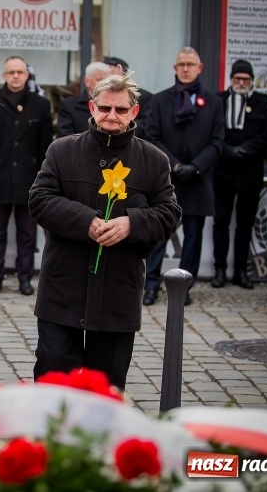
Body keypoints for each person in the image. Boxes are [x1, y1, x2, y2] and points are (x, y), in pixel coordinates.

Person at [29, 73, 181, 390]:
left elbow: (169, 213)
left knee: (106, 393)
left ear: (134, 112)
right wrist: (85, 220)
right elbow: (40, 200)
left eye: (121, 110)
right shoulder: (62, 150)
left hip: (117, 296)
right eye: (105, 108)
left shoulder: (153, 160)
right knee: (52, 389)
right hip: (63, 291)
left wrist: (132, 223)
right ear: (92, 108)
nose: (112, 115)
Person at [142, 46, 224, 306]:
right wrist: (175, 165)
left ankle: (184, 287)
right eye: (181, 65)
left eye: (191, 64)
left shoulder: (214, 102)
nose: (186, 69)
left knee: (193, 236)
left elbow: (217, 142)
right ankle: (151, 285)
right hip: (167, 178)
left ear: (200, 68)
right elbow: (152, 137)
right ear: (174, 69)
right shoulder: (159, 100)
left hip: (199, 179)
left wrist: (196, 166)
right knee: (158, 234)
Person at [0, 55, 54, 295]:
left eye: (20, 72)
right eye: (11, 72)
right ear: (4, 75)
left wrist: (43, 178)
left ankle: (24, 278)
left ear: (27, 75)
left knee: (27, 234)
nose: (16, 76)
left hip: (29, 180)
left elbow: (46, 147)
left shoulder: (40, 105)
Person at [210, 60, 267, 289]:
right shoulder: (218, 100)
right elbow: (212, 131)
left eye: (245, 79)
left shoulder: (261, 101)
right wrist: (228, 150)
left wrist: (246, 149)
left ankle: (240, 271)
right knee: (221, 222)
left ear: (251, 81)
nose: (241, 83)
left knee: (245, 223)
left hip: (249, 171)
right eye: (237, 79)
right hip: (224, 169)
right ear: (230, 79)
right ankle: (219, 270)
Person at [56, 61, 111, 138]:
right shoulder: (68, 105)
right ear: (87, 81)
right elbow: (66, 136)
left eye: (107, 81)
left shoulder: (116, 105)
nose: (104, 84)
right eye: (99, 80)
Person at [103, 56, 154, 125]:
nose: (111, 79)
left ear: (125, 76)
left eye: (113, 74)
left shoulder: (145, 97)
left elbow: (147, 123)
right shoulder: (96, 95)